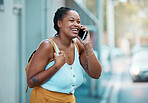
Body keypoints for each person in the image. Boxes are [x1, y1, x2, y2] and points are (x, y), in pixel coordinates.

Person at [27, 7, 102, 103]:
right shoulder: (47, 46)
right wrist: (56, 66)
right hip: (44, 99)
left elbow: (96, 74)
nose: (76, 25)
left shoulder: (78, 45)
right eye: (71, 20)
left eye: (78, 22)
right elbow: (30, 81)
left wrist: (87, 44)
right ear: (60, 23)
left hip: (69, 100)